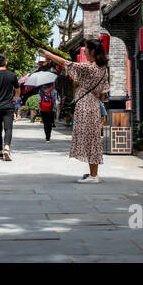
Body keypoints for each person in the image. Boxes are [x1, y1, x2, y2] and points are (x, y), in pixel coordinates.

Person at [40, 40, 109, 182]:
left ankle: (94, 176)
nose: (84, 52)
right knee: (93, 139)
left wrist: (48, 54)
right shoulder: (103, 70)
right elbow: (103, 93)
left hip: (85, 106)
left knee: (90, 140)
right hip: (94, 105)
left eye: (86, 50)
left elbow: (65, 63)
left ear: (93, 52)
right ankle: (93, 173)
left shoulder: (89, 68)